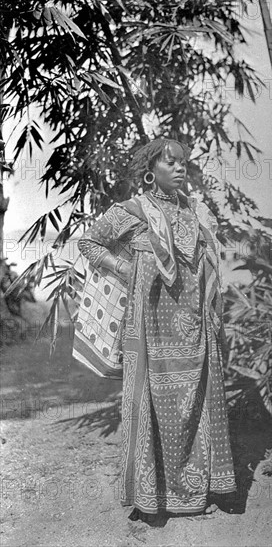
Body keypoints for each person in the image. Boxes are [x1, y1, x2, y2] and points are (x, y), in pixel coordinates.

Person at [77, 138, 236, 523]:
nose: (180, 169)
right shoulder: (130, 211)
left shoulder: (198, 212)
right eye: (171, 163)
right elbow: (89, 242)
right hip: (151, 329)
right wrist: (126, 268)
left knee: (197, 401)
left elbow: (211, 263)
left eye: (183, 163)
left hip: (195, 327)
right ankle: (153, 496)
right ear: (152, 169)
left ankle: (198, 490)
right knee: (153, 403)